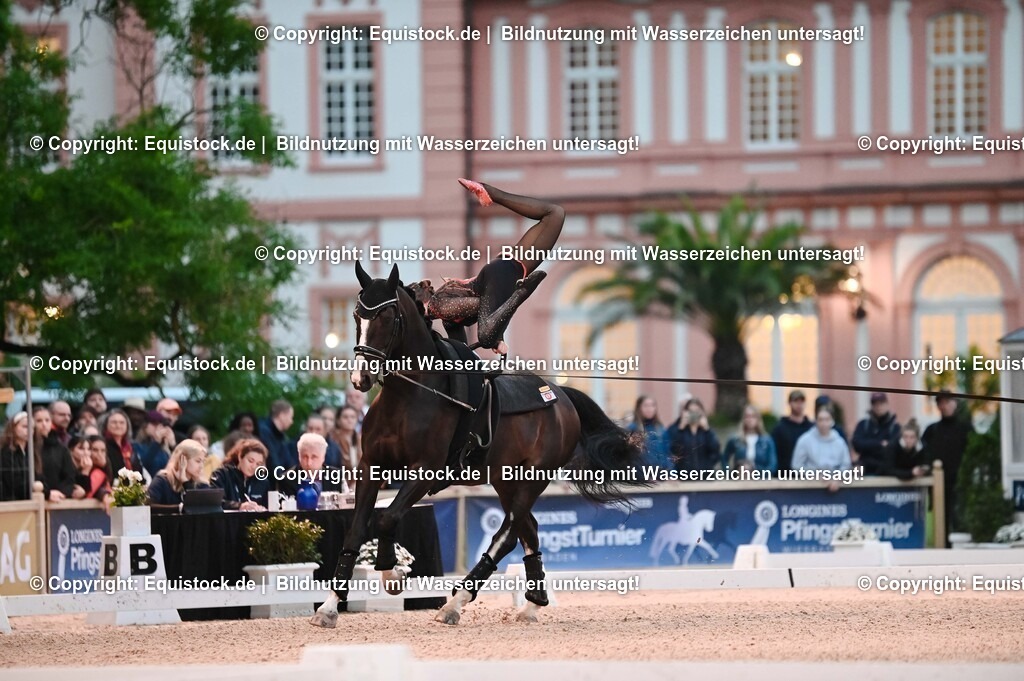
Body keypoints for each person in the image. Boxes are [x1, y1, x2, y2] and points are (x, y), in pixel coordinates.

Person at [409, 179, 563, 354]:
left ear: (420, 307)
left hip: (499, 276)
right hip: (505, 269)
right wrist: (497, 340)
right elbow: (463, 353)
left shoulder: (438, 306)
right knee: (554, 215)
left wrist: (496, 338)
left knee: (486, 337)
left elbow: (485, 306)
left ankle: (521, 293)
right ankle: (488, 192)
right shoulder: (447, 316)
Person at [921, 390, 973, 532]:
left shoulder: (966, 429)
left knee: (960, 522)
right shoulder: (931, 430)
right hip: (939, 483)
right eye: (941, 403)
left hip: (960, 483)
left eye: (948, 402)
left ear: (955, 404)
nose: (945, 406)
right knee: (941, 522)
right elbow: (924, 454)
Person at [275, 433, 347, 496]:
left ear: (323, 457)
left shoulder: (337, 475)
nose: (309, 463)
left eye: (314, 457)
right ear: (299, 456)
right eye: (305, 457)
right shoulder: (286, 480)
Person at [146, 439, 211, 508]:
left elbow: (201, 508)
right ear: (182, 459)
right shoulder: (163, 480)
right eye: (198, 461)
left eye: (203, 461)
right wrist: (178, 508)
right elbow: (149, 506)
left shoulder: (202, 484)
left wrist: (185, 482)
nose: (201, 466)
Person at [210, 439, 270, 511]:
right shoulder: (222, 475)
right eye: (250, 461)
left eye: (258, 464)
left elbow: (268, 507)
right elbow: (215, 502)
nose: (254, 466)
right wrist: (239, 506)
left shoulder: (262, 482)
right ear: (240, 457)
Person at [33, 406, 78, 501]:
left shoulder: (61, 449)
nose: (44, 424)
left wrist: (60, 493)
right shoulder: (27, 448)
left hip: (58, 500)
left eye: (47, 420)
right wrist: (47, 492)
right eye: (39, 421)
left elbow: (69, 476)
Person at [852, 392, 901, 475]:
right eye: (875, 404)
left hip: (887, 471)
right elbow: (857, 444)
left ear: (887, 405)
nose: (878, 407)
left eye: (881, 404)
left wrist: (868, 445)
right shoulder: (863, 425)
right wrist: (880, 444)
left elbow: (893, 448)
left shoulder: (895, 427)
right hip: (865, 469)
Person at [667, 398, 721, 474]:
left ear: (702, 412)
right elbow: (673, 451)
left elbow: (715, 451)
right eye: (691, 411)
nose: (694, 414)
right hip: (684, 477)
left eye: (696, 411)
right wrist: (681, 428)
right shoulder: (678, 429)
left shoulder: (707, 431)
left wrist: (707, 429)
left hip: (705, 476)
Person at [792, 406, 852, 474]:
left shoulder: (840, 442)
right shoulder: (804, 441)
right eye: (820, 419)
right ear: (815, 421)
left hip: (835, 482)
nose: (824, 423)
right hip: (811, 482)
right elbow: (796, 466)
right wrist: (814, 475)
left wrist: (837, 478)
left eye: (827, 419)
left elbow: (846, 465)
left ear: (832, 421)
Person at [723, 404, 778, 473]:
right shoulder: (736, 439)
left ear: (758, 419)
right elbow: (724, 458)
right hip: (740, 478)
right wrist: (730, 474)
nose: (750, 420)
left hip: (760, 479)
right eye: (747, 416)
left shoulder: (767, 441)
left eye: (753, 417)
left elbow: (772, 465)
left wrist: (758, 471)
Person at [626, 396, 671, 474]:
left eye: (652, 405)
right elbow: (630, 459)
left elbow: (667, 454)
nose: (649, 409)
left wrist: (671, 474)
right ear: (639, 408)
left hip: (660, 478)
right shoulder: (632, 429)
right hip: (641, 479)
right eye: (646, 405)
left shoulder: (660, 429)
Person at [771, 390, 813, 472]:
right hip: (785, 475)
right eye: (796, 401)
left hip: (808, 475)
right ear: (789, 403)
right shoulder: (780, 429)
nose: (799, 405)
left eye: (801, 402)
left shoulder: (811, 428)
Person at [0, 413, 39, 502]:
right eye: (25, 426)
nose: (29, 430)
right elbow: (15, 482)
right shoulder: (6, 452)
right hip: (10, 502)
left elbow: (39, 476)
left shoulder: (32, 452)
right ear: (13, 428)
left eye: (32, 428)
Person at [103, 409, 143, 477]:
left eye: (122, 422)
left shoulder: (130, 447)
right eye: (114, 422)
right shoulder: (103, 446)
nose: (118, 425)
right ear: (106, 425)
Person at [135, 411, 174, 478]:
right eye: (154, 424)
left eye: (161, 425)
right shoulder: (137, 446)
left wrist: (173, 445)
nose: (158, 428)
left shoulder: (164, 450)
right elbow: (143, 467)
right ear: (145, 426)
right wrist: (156, 442)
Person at [258, 399, 294, 471]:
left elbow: (289, 463)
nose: (291, 422)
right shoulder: (263, 432)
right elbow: (272, 462)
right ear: (282, 415)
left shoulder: (281, 438)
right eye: (291, 417)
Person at [332, 405, 362, 475]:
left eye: (352, 417)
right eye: (345, 417)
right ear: (338, 420)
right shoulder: (333, 438)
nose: (349, 420)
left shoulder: (361, 439)